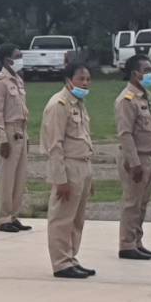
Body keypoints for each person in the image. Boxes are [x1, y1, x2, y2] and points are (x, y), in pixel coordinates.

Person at [43, 64, 96, 279]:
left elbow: (84, 138)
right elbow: (54, 145)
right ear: (68, 79)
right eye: (81, 78)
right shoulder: (59, 104)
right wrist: (60, 178)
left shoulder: (79, 104)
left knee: (76, 218)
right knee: (62, 218)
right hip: (68, 166)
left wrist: (90, 175)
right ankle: (61, 263)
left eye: (88, 79)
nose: (85, 83)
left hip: (82, 164)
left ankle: (71, 257)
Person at [116, 57, 151, 260]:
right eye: (147, 70)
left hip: (149, 155)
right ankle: (126, 244)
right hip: (136, 158)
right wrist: (134, 163)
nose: (150, 73)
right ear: (135, 73)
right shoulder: (126, 100)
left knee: (142, 203)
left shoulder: (145, 97)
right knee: (132, 203)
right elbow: (125, 133)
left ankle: (137, 241)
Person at [0, 43, 32, 232]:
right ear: (8, 59)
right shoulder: (0, 82)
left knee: (20, 177)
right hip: (8, 130)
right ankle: (4, 218)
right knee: (7, 177)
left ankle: (14, 215)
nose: (21, 58)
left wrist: (27, 136)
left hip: (21, 130)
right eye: (18, 55)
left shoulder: (18, 80)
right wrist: (2, 140)